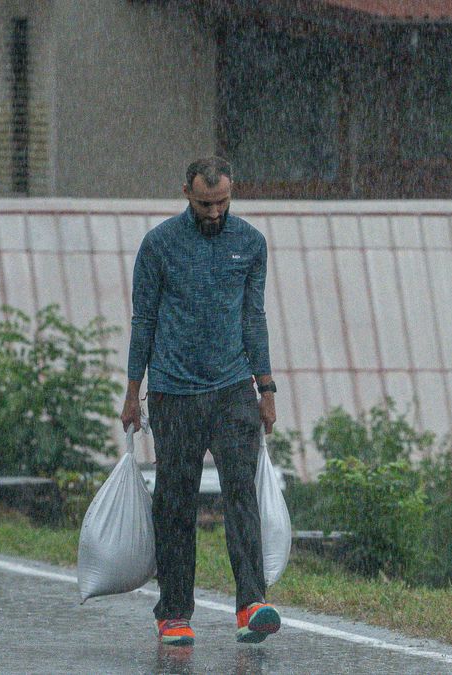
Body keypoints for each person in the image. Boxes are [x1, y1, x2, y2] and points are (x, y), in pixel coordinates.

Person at [120, 156, 280, 646]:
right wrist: (132, 390)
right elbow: (143, 320)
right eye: (206, 203)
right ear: (186, 193)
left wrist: (266, 387)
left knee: (241, 494)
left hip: (233, 390)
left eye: (223, 202)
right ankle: (173, 613)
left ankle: (252, 604)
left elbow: (253, 317)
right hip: (173, 393)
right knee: (175, 502)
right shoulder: (159, 245)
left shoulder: (250, 244)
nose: (215, 213)